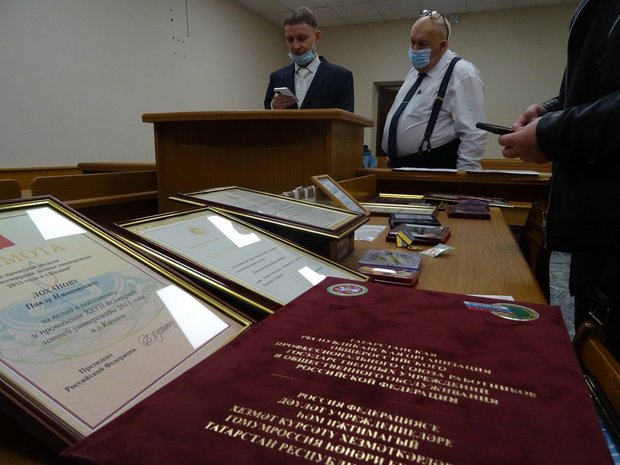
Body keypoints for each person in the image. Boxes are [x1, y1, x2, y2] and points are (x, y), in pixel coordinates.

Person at [498, 0, 620, 357]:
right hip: (591, 222)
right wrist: (550, 111)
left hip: (610, 218)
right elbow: (594, 89)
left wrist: (550, 133)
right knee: (589, 345)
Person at [382, 11, 486, 170]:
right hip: (398, 167)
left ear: (443, 46)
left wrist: (465, 176)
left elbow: (473, 132)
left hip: (434, 166)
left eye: (423, 44)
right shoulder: (413, 73)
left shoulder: (461, 72)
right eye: (412, 42)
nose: (415, 49)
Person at [264, 7, 354, 112]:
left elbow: (346, 119)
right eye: (290, 40)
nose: (296, 46)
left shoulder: (341, 77)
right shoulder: (277, 77)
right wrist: (273, 106)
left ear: (317, 37)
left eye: (302, 39)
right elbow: (267, 112)